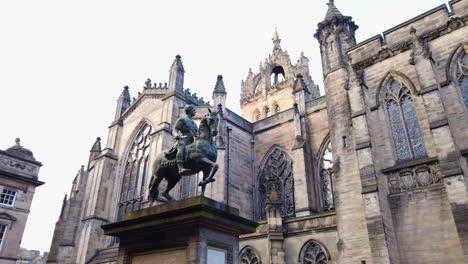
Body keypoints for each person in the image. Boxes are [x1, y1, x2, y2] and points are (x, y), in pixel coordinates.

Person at [173, 105, 198, 175]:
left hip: (192, 141)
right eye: (194, 109)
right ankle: (180, 167)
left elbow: (197, 134)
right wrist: (176, 135)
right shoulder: (182, 119)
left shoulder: (195, 124)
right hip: (183, 139)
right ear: (189, 110)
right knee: (182, 147)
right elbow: (175, 129)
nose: (195, 111)